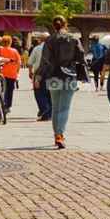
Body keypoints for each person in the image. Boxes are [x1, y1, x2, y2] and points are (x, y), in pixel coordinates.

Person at [35, 15, 85, 149]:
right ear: (65, 24)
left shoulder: (49, 41)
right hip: (69, 76)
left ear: (53, 25)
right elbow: (81, 56)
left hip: (53, 76)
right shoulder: (73, 39)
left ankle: (57, 134)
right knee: (64, 107)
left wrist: (38, 77)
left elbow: (44, 62)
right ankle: (59, 134)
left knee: (56, 107)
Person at [27, 32, 51, 121]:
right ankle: (50, 113)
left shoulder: (37, 49)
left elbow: (30, 62)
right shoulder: (53, 49)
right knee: (50, 94)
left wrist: (30, 72)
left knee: (40, 94)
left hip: (39, 73)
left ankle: (44, 113)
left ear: (40, 39)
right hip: (52, 73)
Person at [0, 36, 21, 113]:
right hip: (12, 74)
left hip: (2, 73)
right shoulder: (14, 51)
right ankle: (8, 106)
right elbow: (19, 62)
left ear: (3, 42)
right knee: (10, 90)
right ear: (10, 42)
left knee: (2, 89)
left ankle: (2, 103)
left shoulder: (0, 50)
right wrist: (17, 72)